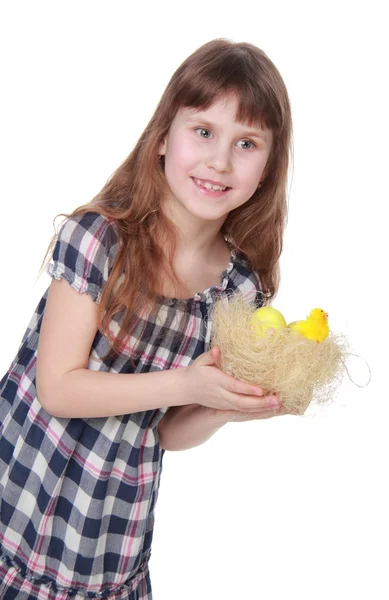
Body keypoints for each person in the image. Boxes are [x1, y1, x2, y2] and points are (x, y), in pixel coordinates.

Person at [0, 38, 292, 599]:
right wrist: (187, 381)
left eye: (247, 142)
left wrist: (221, 406)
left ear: (268, 167)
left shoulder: (238, 292)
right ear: (162, 137)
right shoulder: (99, 240)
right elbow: (59, 388)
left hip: (108, 540)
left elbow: (163, 432)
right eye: (203, 131)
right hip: (19, 504)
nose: (220, 160)